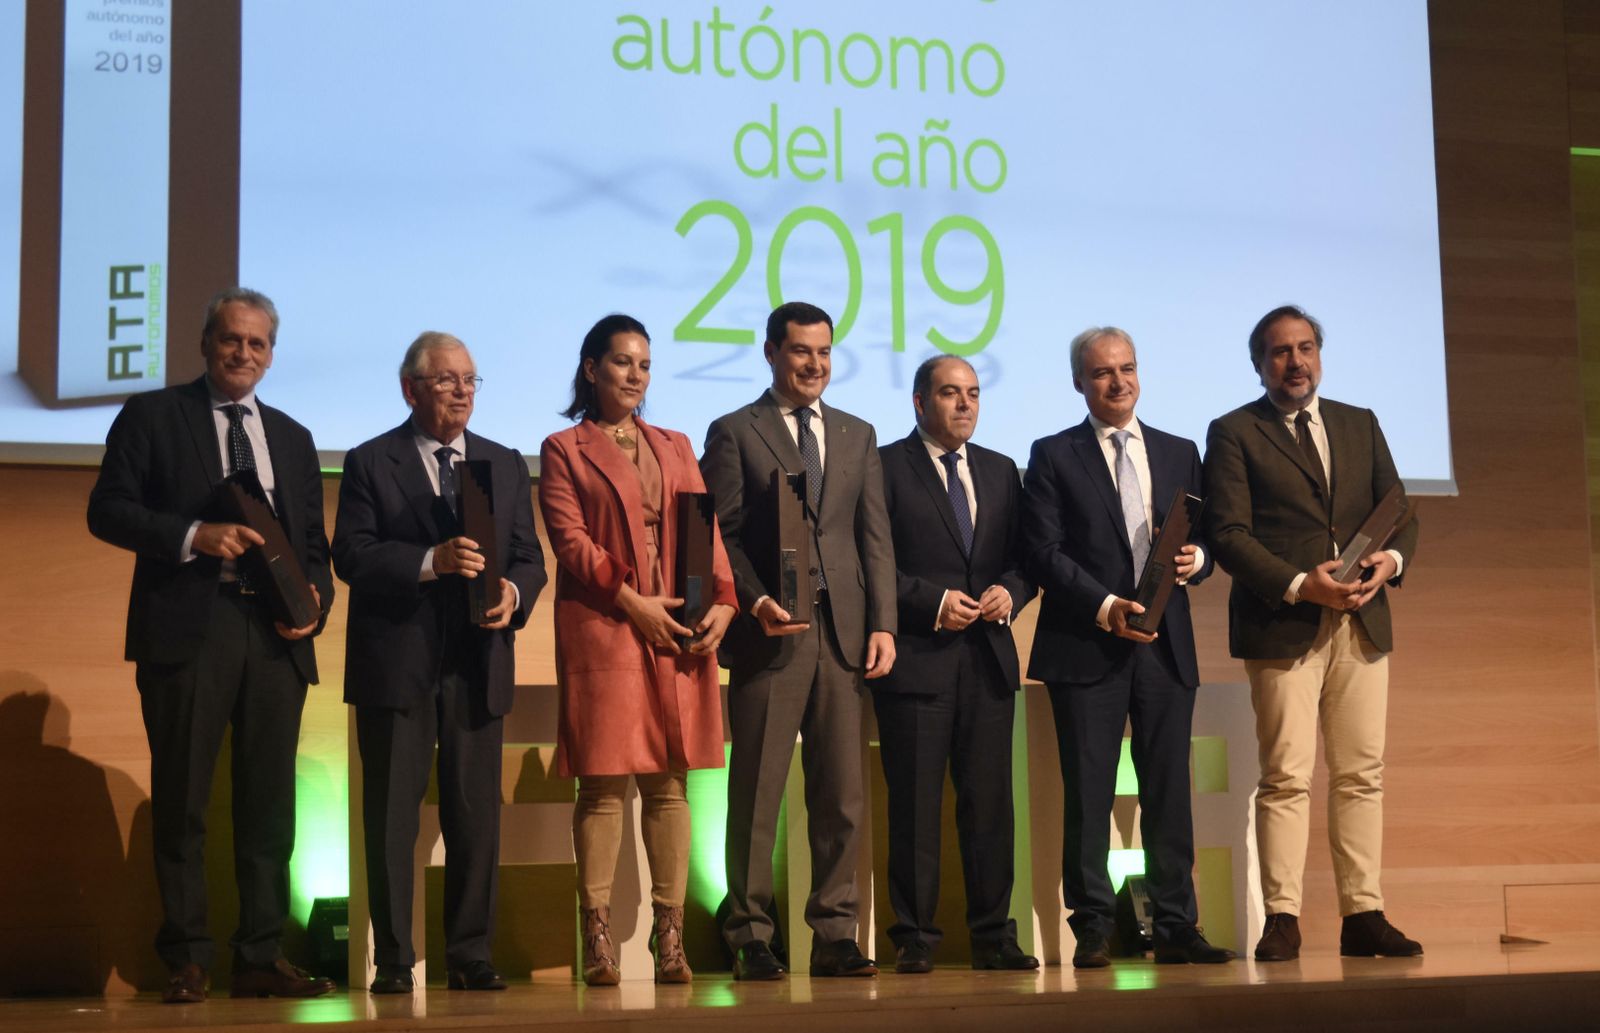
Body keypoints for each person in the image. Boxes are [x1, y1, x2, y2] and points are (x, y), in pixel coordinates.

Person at [86, 287, 335, 1002]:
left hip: (276, 634)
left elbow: (313, 546)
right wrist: (196, 537)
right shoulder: (153, 415)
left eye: (258, 344)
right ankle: (187, 956)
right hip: (191, 627)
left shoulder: (290, 435)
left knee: (269, 804)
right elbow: (108, 508)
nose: (243, 353)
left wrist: (316, 600)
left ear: (271, 354)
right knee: (184, 797)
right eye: (231, 338)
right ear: (204, 342)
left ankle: (259, 954)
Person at [1203, 305, 1421, 961]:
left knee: (1361, 774)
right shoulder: (1235, 431)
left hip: (1362, 619)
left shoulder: (1360, 423)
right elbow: (1229, 534)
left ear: (1319, 354)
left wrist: (1391, 561)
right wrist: (1303, 583)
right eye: (1279, 351)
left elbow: (1399, 513)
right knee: (1285, 777)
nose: (1294, 361)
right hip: (1284, 621)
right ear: (1259, 363)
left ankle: (1364, 912)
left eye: (1304, 348)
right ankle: (1283, 917)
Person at [333, 331, 547, 994]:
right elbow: (353, 556)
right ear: (411, 389)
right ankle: (395, 958)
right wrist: (431, 562)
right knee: (393, 814)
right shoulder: (371, 460)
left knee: (474, 814)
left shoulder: (504, 463)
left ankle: (470, 952)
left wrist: (511, 594)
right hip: (397, 665)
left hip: (478, 661)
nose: (462, 391)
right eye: (447, 380)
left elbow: (529, 559)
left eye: (471, 380)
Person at [1021, 326, 1232, 968]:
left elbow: (1208, 541)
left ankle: (1175, 924)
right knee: (1088, 792)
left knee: (1168, 789)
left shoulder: (1178, 450)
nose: (1120, 382)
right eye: (1104, 372)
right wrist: (1105, 605)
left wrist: (1198, 561)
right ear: (1080, 383)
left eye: (1128, 368)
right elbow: (1043, 552)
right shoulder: (1054, 454)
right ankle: (1092, 927)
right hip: (1088, 642)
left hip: (1166, 646)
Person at [537, 314, 739, 986]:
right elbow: (570, 542)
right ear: (591, 368)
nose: (635, 375)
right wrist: (632, 603)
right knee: (602, 781)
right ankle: (596, 935)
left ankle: (670, 936)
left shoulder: (677, 443)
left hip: (677, 622)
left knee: (669, 781)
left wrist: (724, 602)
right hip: (608, 622)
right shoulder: (564, 446)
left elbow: (705, 533)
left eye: (645, 365)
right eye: (622, 362)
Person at [700, 301, 897, 980]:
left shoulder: (857, 432)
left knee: (842, 792)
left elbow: (874, 538)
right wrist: (752, 599)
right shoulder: (735, 431)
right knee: (757, 790)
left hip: (843, 635)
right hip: (769, 636)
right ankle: (751, 932)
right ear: (770, 353)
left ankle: (836, 930)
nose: (814, 364)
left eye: (823, 352)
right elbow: (717, 532)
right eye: (799, 351)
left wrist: (883, 623)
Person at [872, 355, 1038, 974]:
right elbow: (871, 564)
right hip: (917, 661)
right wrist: (931, 602)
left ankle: (995, 936)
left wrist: (1011, 594)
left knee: (991, 807)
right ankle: (914, 938)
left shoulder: (1000, 471)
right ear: (920, 402)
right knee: (914, 810)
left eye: (972, 393)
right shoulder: (885, 466)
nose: (965, 404)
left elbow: (1025, 561)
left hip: (989, 661)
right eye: (950, 393)